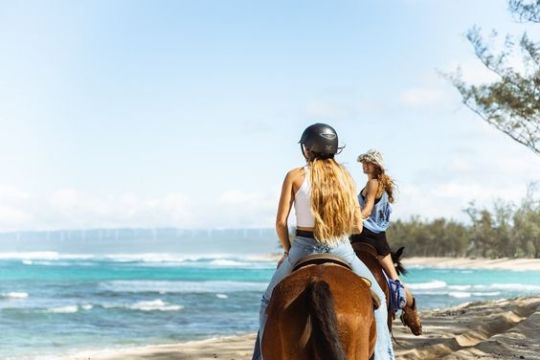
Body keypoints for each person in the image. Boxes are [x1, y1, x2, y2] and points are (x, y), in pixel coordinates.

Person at [252, 124, 395, 360]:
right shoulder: (345, 177)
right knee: (378, 298)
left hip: (302, 247)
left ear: (307, 149)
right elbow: (357, 226)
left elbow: (280, 223)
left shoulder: (295, 176)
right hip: (341, 248)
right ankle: (385, 357)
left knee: (267, 302)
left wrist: (288, 251)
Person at [350, 149, 407, 311]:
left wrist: (352, 220)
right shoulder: (381, 185)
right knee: (394, 277)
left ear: (376, 166)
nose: (364, 165)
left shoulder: (372, 183)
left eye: (368, 162)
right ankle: (401, 306)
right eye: (363, 162)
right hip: (379, 237)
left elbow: (367, 210)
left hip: (362, 234)